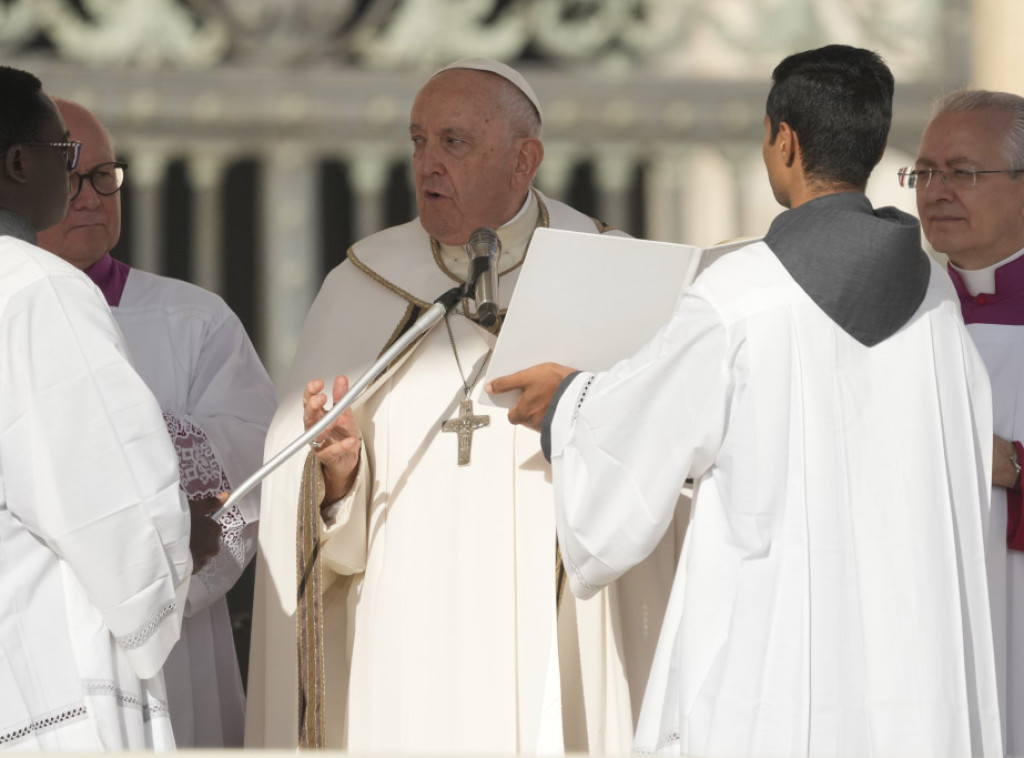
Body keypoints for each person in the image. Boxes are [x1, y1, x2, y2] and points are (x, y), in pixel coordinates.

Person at [489, 45, 1003, 757]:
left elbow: (630, 459)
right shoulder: (936, 301)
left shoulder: (737, 298)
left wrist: (569, 399)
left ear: (782, 141)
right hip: (910, 676)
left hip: (774, 672)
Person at [247, 58, 681, 753]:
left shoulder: (607, 269)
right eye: (419, 141)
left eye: (454, 142)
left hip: (556, 624)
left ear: (524, 160)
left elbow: (662, 459)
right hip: (406, 639)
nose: (427, 163)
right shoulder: (362, 285)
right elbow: (301, 505)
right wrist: (337, 478)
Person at [34, 99, 277, 748]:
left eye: (104, 176)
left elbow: (252, 477)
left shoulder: (193, 320)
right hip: (35, 626)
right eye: (70, 177)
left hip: (176, 637)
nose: (91, 198)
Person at [0, 67, 192, 749]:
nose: (76, 177)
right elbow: (115, 500)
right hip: (44, 667)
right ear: (21, 163)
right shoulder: (39, 288)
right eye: (65, 156)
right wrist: (178, 553)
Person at [910, 88, 1024, 756]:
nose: (936, 190)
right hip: (927, 618)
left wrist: (1013, 464)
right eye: (924, 172)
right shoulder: (894, 317)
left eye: (963, 171)